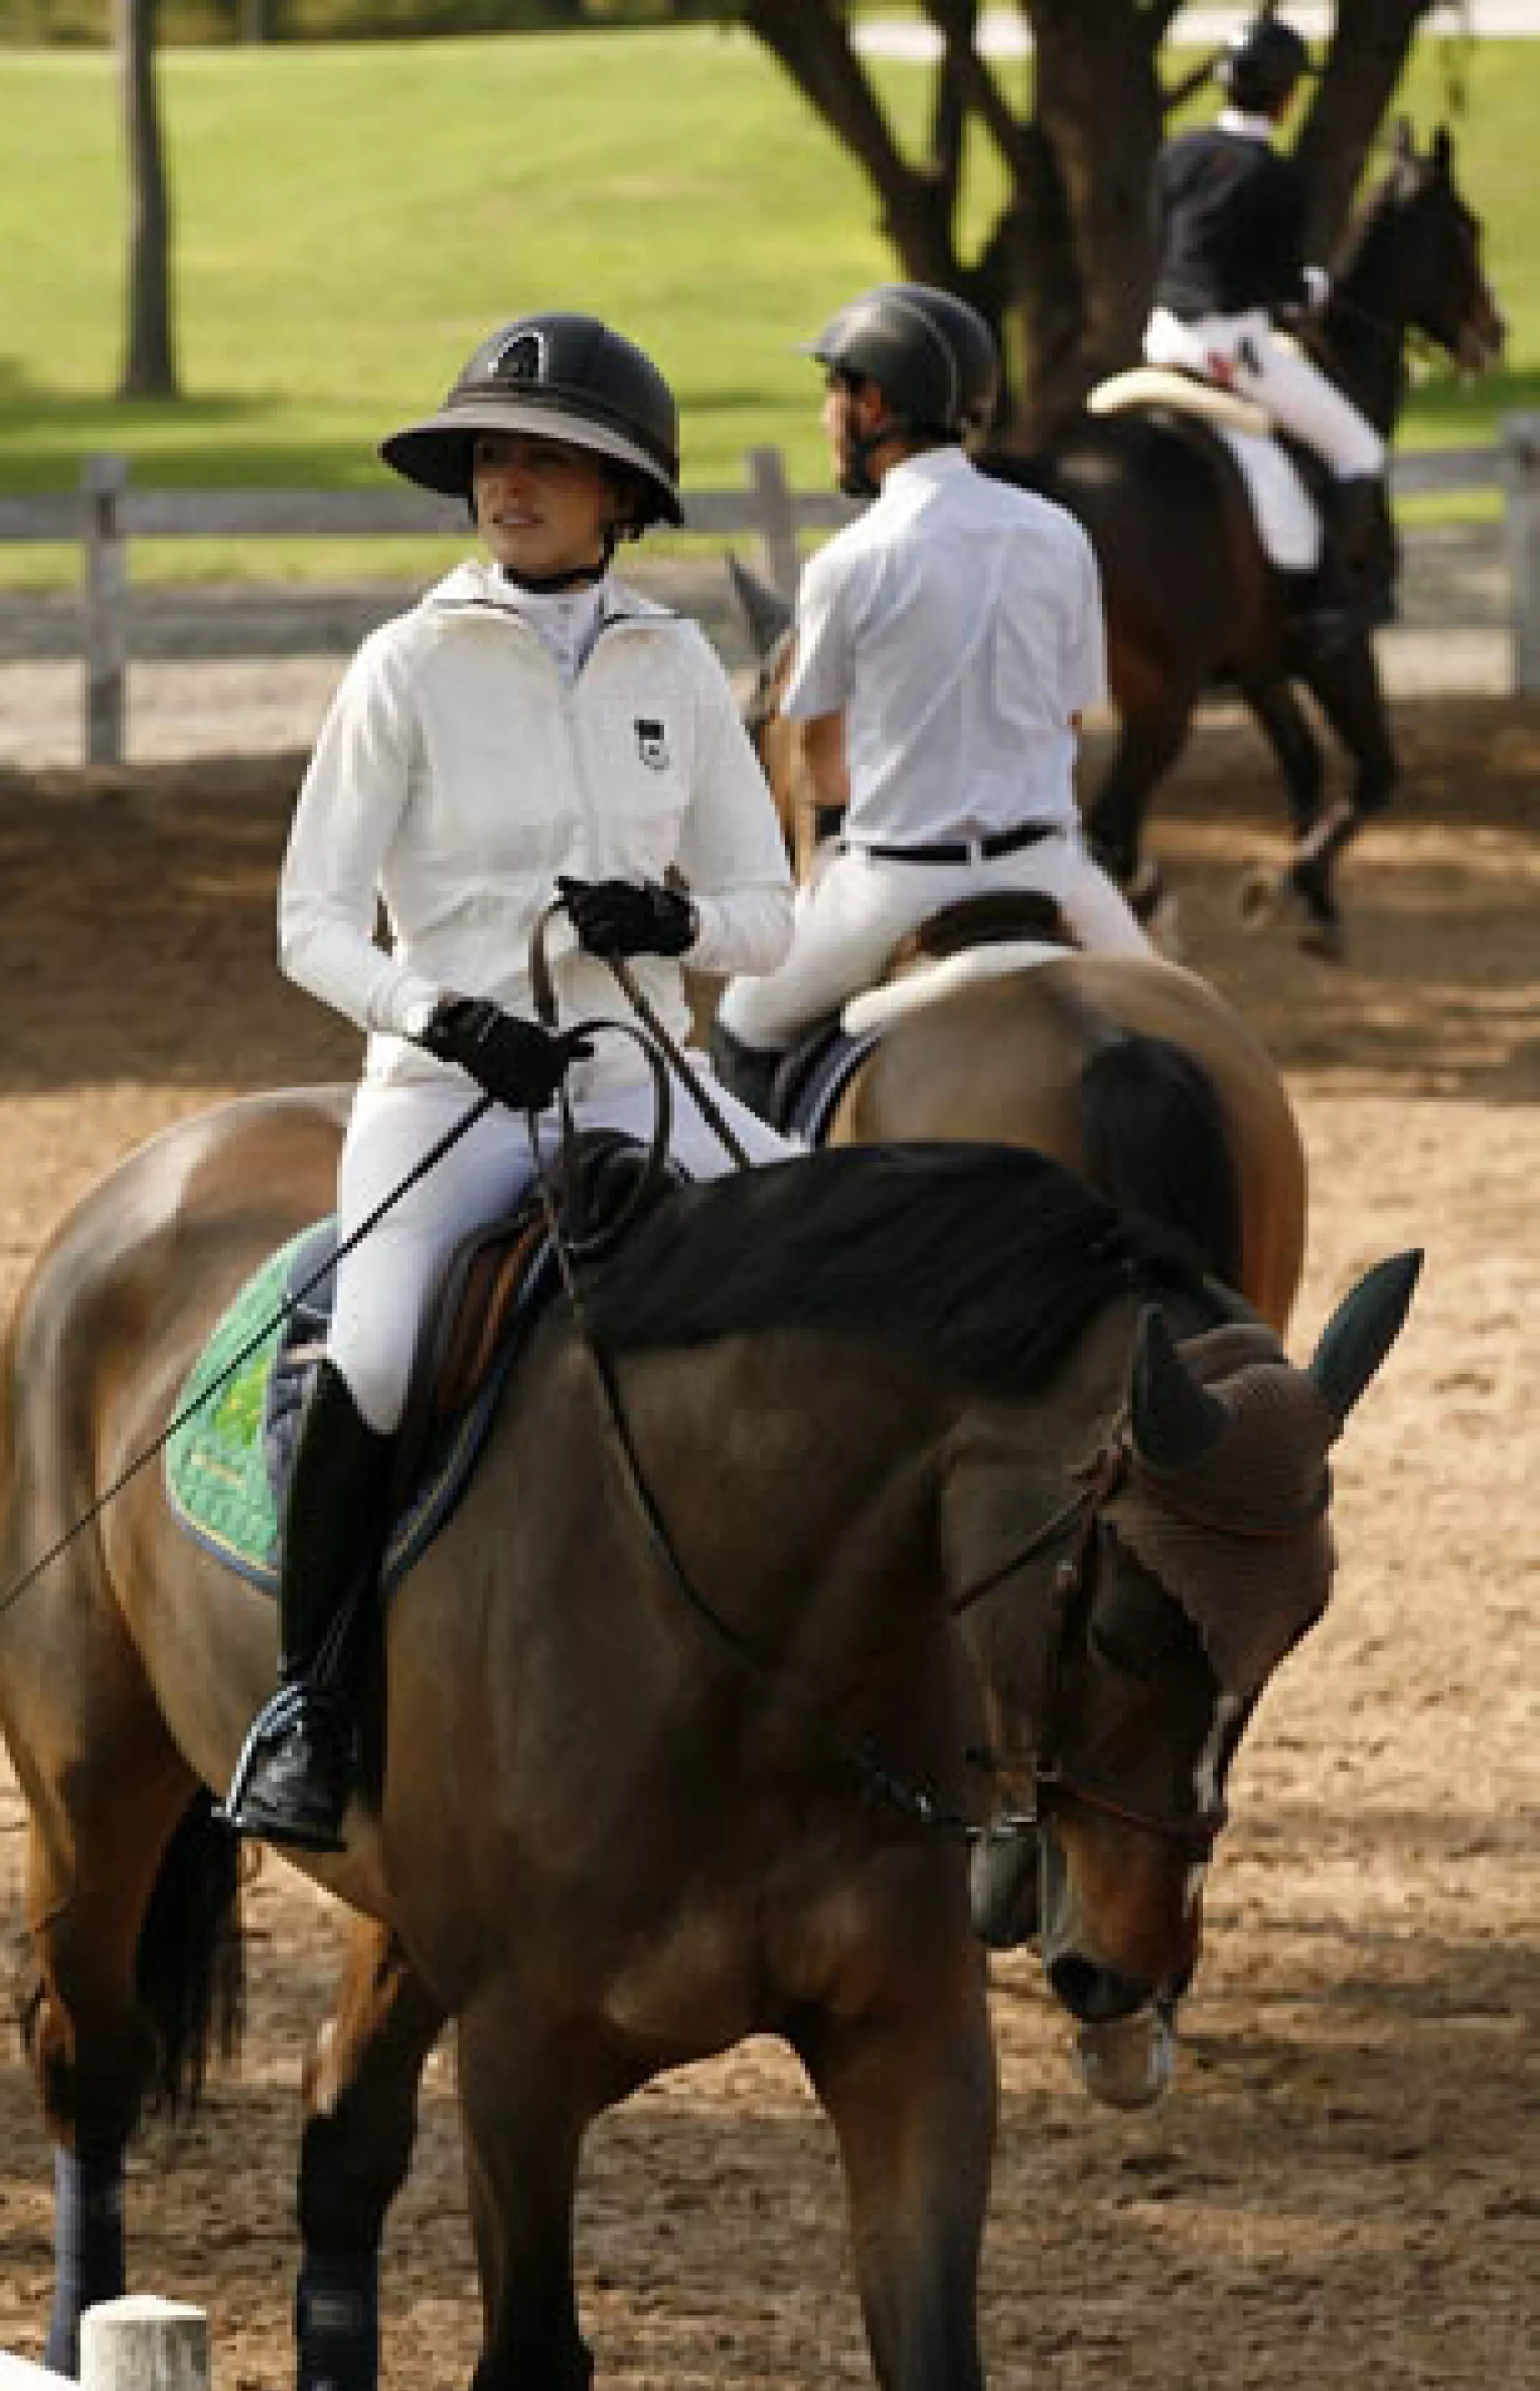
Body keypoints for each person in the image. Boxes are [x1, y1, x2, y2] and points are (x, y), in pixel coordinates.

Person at [221, 311, 799, 1855]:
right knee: (388, 1351)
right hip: (448, 1099)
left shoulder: (674, 662)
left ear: (622, 496)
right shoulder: (405, 665)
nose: (509, 479)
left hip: (641, 1078)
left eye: (547, 458)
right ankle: (310, 1704)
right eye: (491, 454)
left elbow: (773, 913)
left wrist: (675, 923)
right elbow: (310, 925)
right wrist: (441, 1015)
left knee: (833, 1262)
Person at [713, 281, 1152, 1087]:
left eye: (830, 394)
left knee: (741, 1028)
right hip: (1051, 871)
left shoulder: (847, 563)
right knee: (1187, 1032)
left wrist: (835, 845)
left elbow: (816, 752)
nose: (824, 419)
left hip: (899, 886)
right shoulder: (1057, 535)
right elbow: (1069, 720)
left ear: (872, 403)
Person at [1144, 13, 1394, 647]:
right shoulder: (1276, 177)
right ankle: (1330, 598)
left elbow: (1168, 246)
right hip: (1230, 349)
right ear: (1286, 97)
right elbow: (1281, 287)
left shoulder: (1180, 153)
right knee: (1361, 448)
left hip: (1163, 337)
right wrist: (1314, 289)